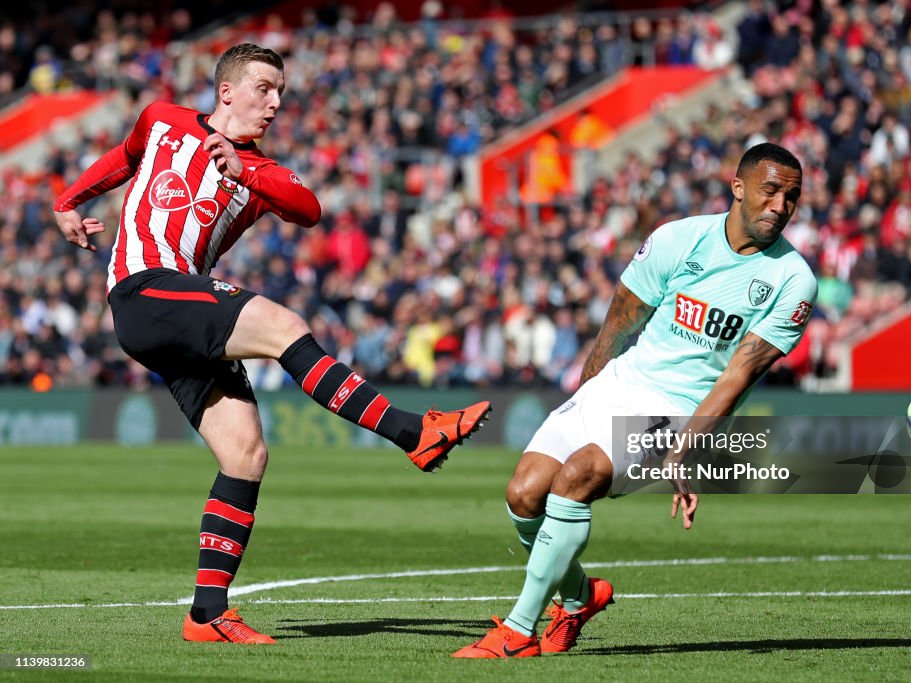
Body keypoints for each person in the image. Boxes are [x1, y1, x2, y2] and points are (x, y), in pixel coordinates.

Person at [52, 44, 491, 645]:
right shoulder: (161, 119)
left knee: (245, 455)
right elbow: (124, 157)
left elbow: (308, 209)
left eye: (281, 91)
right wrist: (67, 201)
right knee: (284, 326)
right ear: (226, 91)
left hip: (180, 312)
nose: (276, 102)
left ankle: (206, 615)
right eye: (264, 87)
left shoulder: (263, 174)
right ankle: (413, 433)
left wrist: (245, 167)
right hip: (145, 288)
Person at [453, 143, 817, 658]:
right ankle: (580, 597)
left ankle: (517, 632)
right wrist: (586, 394)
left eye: (792, 197)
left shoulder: (793, 280)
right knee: (523, 494)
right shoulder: (677, 238)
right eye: (771, 191)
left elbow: (739, 375)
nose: (781, 206)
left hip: (678, 410)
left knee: (578, 476)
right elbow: (618, 323)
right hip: (620, 383)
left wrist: (688, 447)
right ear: (738, 188)